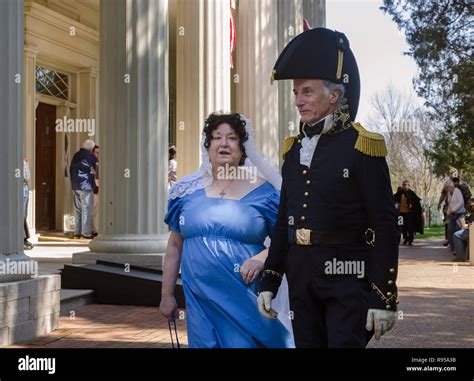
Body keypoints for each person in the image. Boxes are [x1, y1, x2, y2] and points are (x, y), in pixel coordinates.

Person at [257, 27, 400, 348]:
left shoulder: (363, 147)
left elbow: (385, 224)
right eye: (295, 93)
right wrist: (271, 278)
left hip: (349, 278)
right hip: (302, 278)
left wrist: (384, 296)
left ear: (334, 95)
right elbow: (285, 220)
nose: (298, 100)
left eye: (306, 91)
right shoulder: (292, 150)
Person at [160, 112, 294, 348]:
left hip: (244, 297)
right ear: (208, 145)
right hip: (200, 301)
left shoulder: (265, 192)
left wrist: (262, 258)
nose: (223, 143)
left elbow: (286, 239)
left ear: (243, 149)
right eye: (216, 137)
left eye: (231, 138)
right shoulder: (186, 191)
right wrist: (166, 295)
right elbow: (174, 245)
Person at [70, 139, 97, 239]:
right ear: (91, 149)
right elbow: (93, 170)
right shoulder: (90, 156)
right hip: (86, 186)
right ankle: (86, 233)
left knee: (78, 209)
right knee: (87, 209)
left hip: (76, 185)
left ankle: (77, 232)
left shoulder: (76, 155)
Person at [393, 180, 423, 245]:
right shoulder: (399, 193)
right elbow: (394, 199)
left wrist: (412, 204)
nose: (405, 186)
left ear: (409, 186)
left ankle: (410, 241)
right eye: (404, 184)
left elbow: (417, 203)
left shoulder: (412, 194)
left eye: (406, 185)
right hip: (401, 214)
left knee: (410, 228)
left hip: (410, 213)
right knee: (402, 228)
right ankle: (406, 238)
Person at [445, 180, 466, 254]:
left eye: (447, 187)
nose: (446, 189)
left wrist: (452, 210)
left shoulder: (457, 191)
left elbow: (461, 203)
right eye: (445, 188)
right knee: (450, 230)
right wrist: (448, 212)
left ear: (451, 186)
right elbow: (449, 204)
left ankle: (458, 250)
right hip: (452, 215)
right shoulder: (448, 193)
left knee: (457, 231)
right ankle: (452, 247)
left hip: (460, 214)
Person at [23, 157, 33, 250]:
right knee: (21, 215)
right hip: (21, 188)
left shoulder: (23, 162)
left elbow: (27, 177)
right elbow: (27, 177)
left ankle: (24, 238)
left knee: (22, 215)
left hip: (22, 189)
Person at [91, 145, 100, 237]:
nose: (98, 154)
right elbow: (96, 181)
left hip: (96, 191)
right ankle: (95, 230)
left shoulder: (99, 163)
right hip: (95, 191)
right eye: (96, 152)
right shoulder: (94, 164)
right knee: (95, 211)